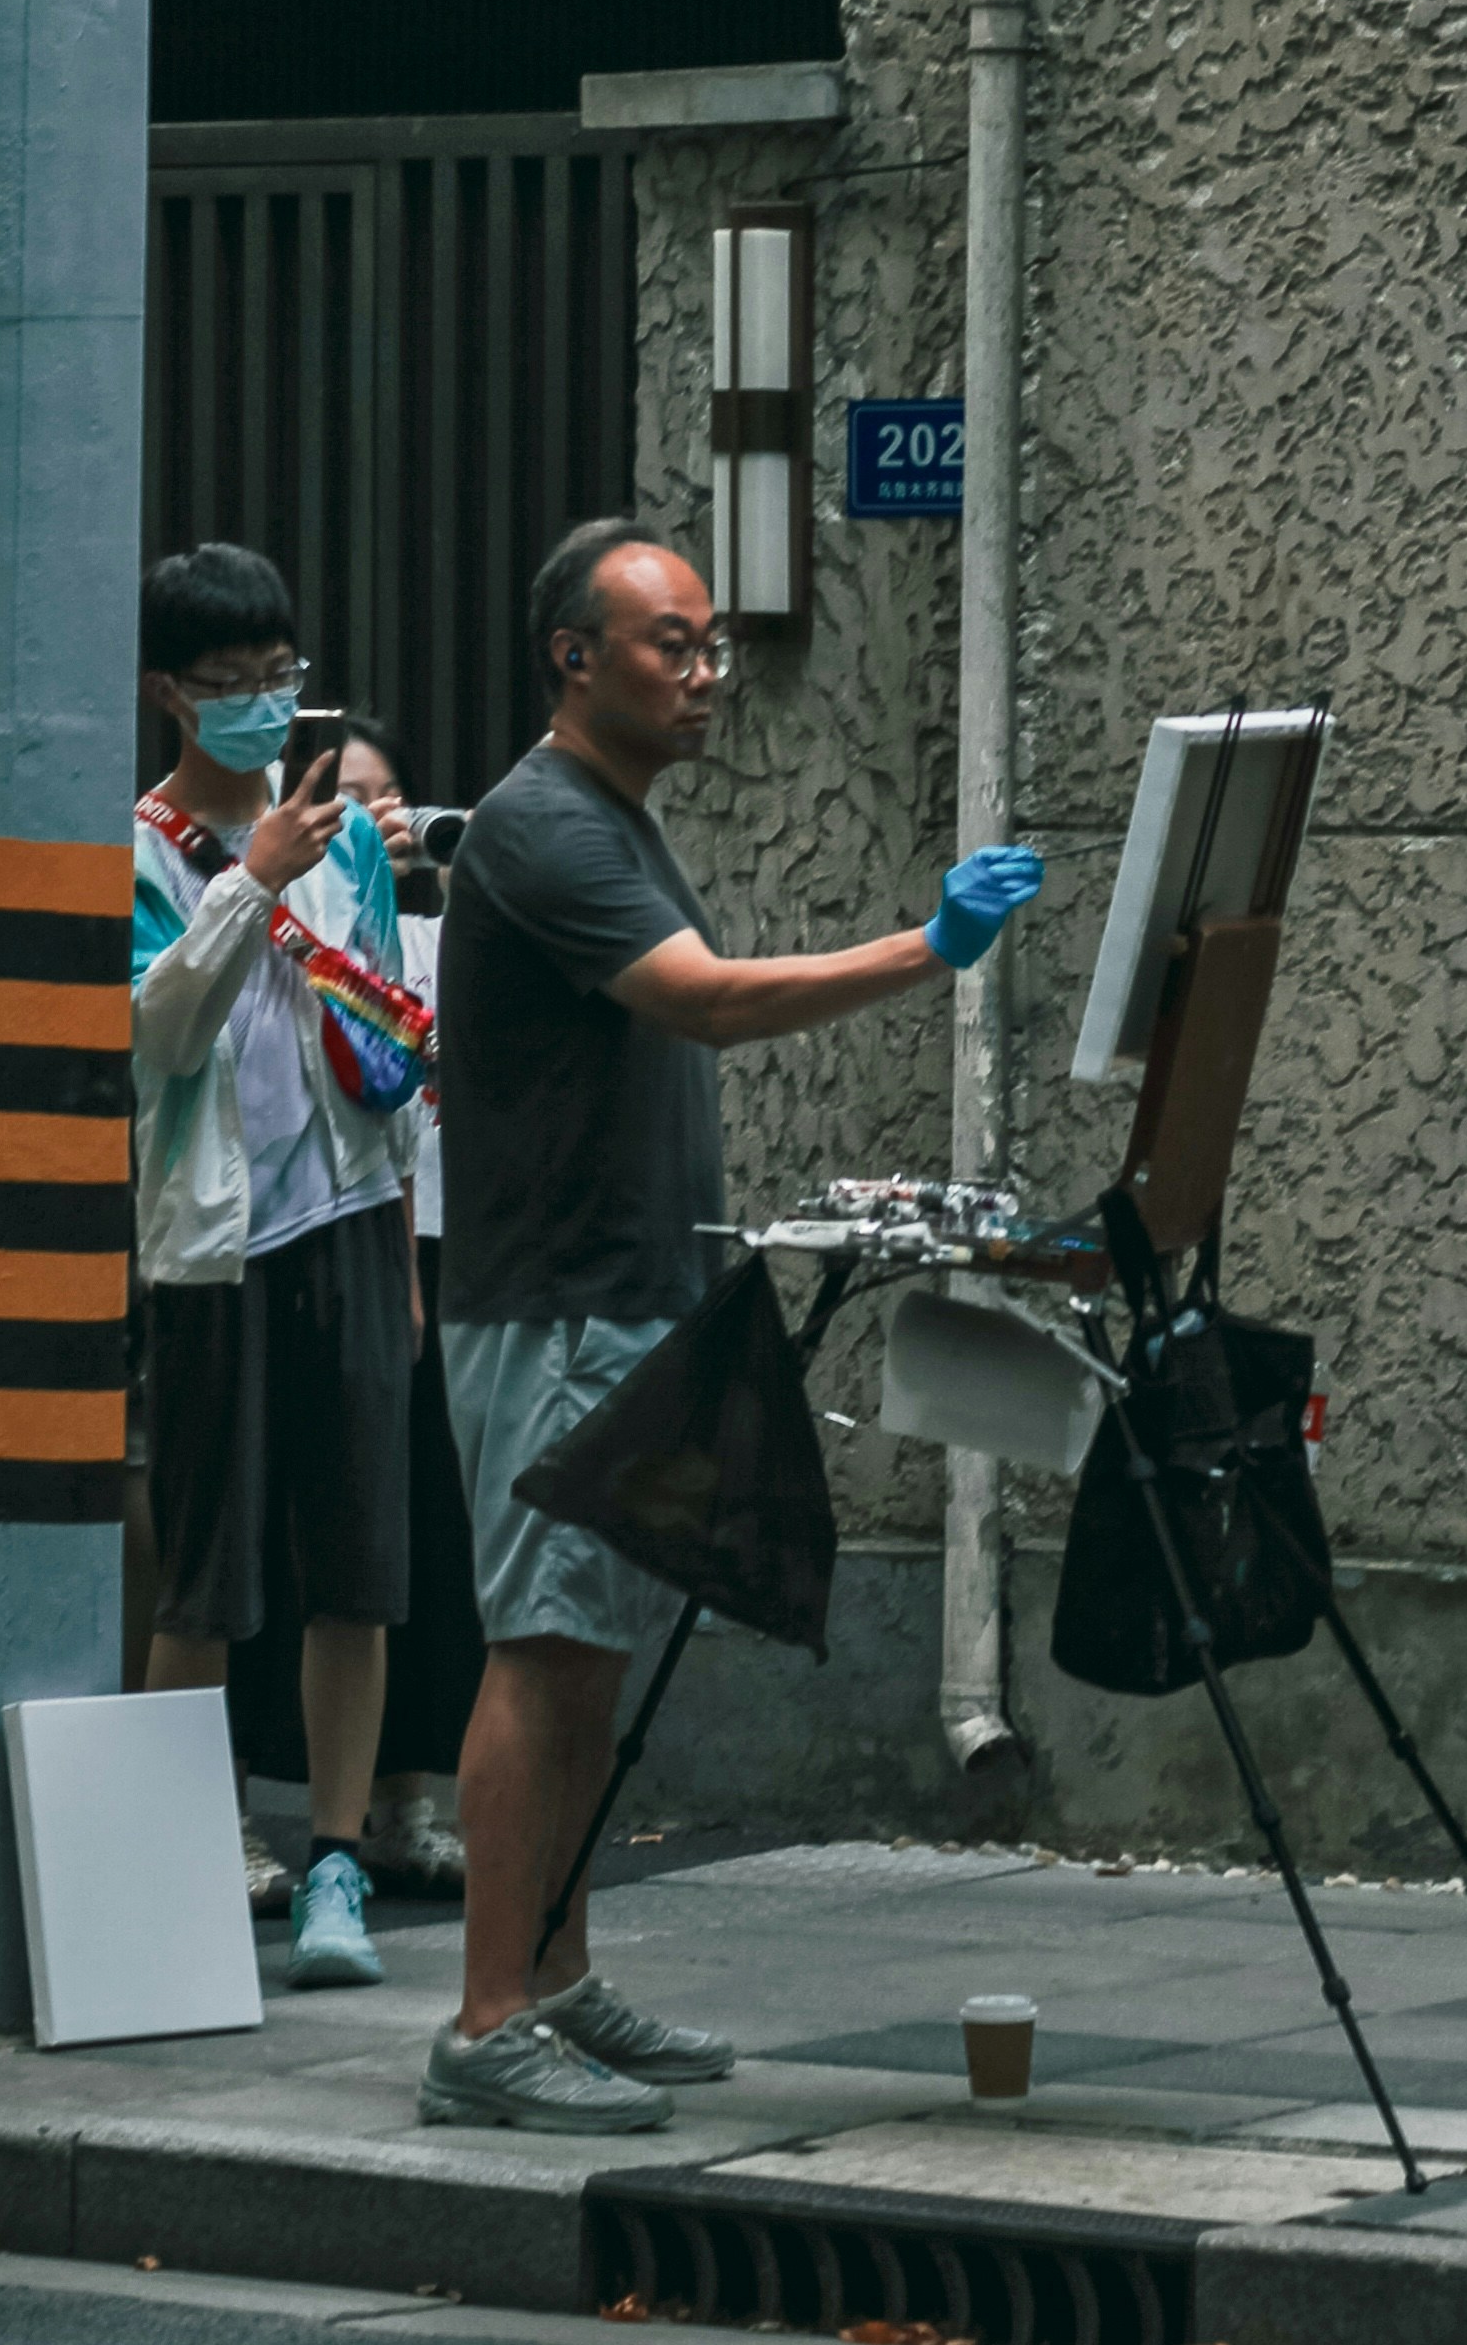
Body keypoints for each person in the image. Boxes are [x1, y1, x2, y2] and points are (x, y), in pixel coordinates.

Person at [421, 515, 1043, 2133]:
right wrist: (933, 947)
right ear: (576, 658)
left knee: (588, 1658)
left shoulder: (611, 818)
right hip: (555, 1305)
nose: (706, 673)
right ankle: (487, 2022)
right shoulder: (544, 824)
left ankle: (555, 1981)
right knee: (541, 1647)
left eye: (710, 645)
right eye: (670, 644)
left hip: (622, 1296)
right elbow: (703, 997)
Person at [128, 543, 428, 1990]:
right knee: (202, 1575)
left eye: (276, 679)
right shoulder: (133, 848)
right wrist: (247, 884)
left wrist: (409, 1230)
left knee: (357, 1568)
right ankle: (168, 1876)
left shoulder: (354, 840)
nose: (259, 708)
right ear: (164, 694)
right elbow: (153, 1037)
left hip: (351, 1222)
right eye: (227, 686)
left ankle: (335, 1864)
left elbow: (387, 1042)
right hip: (212, 1248)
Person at [226, 717, 481, 1896]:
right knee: (258, 1549)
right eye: (345, 799)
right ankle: (233, 1809)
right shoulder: (282, 910)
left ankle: (400, 1802)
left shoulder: (429, 934)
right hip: (302, 1242)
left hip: (414, 1254)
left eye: (387, 801)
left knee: (411, 1546)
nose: (367, 819)